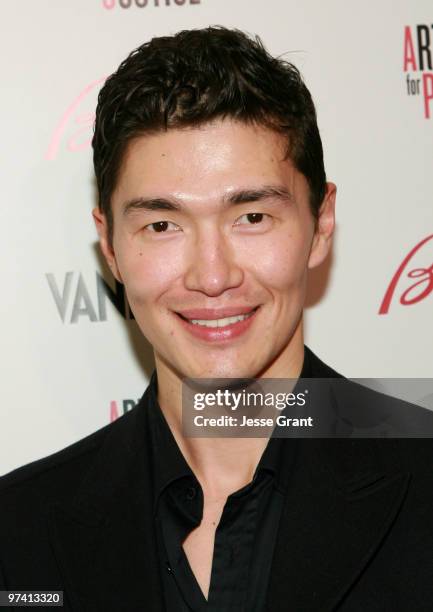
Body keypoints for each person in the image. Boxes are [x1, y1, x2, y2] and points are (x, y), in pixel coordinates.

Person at [1, 26, 432, 612]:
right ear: (110, 247)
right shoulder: (17, 531)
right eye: (162, 225)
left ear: (321, 223)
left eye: (251, 216)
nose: (212, 275)